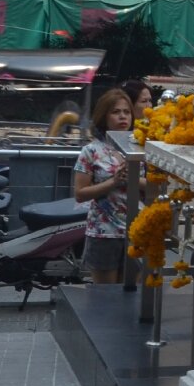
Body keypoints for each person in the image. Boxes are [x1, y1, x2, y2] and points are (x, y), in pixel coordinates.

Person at [73, 87, 136, 286]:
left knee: (134, 294)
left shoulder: (141, 148)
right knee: (106, 297)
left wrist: (132, 178)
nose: (122, 117)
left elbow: (154, 187)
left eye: (126, 112)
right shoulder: (91, 151)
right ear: (104, 116)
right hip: (104, 232)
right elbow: (80, 194)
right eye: (116, 112)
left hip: (138, 231)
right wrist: (113, 182)